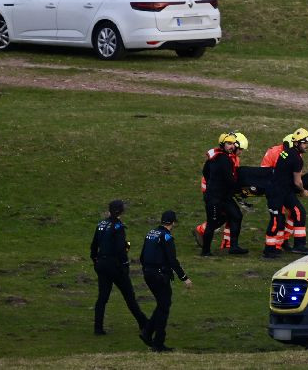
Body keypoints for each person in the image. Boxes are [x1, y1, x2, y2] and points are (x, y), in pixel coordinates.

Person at [90, 199, 147, 335]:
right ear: (121, 211)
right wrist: (125, 264)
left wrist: (95, 260)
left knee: (102, 297)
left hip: (102, 264)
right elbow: (120, 249)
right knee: (129, 296)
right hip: (115, 266)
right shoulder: (118, 227)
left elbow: (93, 246)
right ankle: (143, 322)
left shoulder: (101, 224)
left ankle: (98, 328)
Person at [139, 210, 192, 352]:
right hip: (159, 275)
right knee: (164, 307)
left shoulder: (151, 233)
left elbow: (142, 256)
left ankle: (148, 332)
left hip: (148, 273)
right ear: (173, 222)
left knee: (162, 304)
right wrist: (184, 278)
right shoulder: (167, 237)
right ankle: (157, 343)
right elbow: (173, 261)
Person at [264, 127, 308, 258]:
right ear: (297, 143)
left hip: (285, 191)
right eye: (305, 143)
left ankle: (299, 245)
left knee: (299, 212)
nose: (307, 146)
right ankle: (269, 250)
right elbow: (297, 182)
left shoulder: (287, 152)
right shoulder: (297, 159)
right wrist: (303, 191)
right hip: (276, 192)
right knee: (276, 220)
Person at [201, 132, 249, 256]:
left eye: (233, 143)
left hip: (223, 196)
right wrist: (240, 190)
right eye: (229, 143)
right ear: (222, 144)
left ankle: (233, 246)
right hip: (215, 197)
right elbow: (230, 179)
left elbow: (205, 171)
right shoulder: (223, 159)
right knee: (212, 223)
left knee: (237, 215)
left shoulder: (216, 156)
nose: (232, 146)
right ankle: (205, 251)